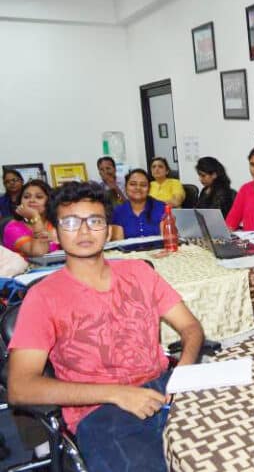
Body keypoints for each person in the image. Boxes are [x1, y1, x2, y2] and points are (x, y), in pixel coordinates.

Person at [7, 181, 203, 471]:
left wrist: (183, 372)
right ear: (55, 232)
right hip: (101, 411)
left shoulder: (139, 272)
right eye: (71, 222)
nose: (84, 231)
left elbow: (191, 328)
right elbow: (20, 387)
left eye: (95, 221)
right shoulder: (43, 297)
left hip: (165, 388)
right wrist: (116, 393)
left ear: (109, 231)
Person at [2, 180, 59, 257]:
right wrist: (35, 217)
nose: (32, 200)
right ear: (20, 202)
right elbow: (39, 253)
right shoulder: (13, 228)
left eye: (39, 197)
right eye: (26, 197)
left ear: (49, 201)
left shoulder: (54, 223)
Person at [112, 169, 165, 238]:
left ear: (149, 189)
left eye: (143, 185)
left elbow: (167, 239)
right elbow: (119, 241)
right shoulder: (118, 211)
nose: (138, 188)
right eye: (133, 184)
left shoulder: (161, 207)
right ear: (125, 187)